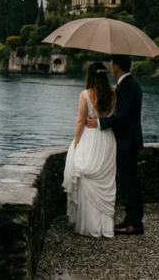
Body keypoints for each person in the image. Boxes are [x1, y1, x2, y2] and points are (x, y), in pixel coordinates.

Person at [87, 54, 144, 235]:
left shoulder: (127, 87)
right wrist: (116, 91)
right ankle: (131, 219)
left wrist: (100, 122)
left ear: (115, 65)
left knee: (129, 182)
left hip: (127, 141)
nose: (111, 67)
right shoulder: (128, 85)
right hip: (129, 140)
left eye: (112, 63)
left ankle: (134, 222)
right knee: (129, 181)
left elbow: (123, 116)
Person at [63, 61, 117, 237]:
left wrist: (76, 141)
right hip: (107, 139)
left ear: (90, 76)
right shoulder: (113, 95)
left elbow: (81, 120)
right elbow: (114, 117)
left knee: (87, 178)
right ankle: (104, 227)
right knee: (104, 179)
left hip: (90, 138)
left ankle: (88, 225)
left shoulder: (85, 94)